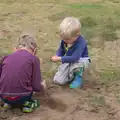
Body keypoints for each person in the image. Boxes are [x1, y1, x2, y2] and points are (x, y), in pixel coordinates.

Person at [0, 33, 46, 113]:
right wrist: (42, 86)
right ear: (35, 51)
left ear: (15, 49)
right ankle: (27, 105)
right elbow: (36, 86)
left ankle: (8, 103)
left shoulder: (5, 58)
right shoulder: (34, 59)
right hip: (22, 96)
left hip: (4, 96)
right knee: (28, 92)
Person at [51, 17, 90, 89]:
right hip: (69, 60)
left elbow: (75, 58)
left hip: (80, 61)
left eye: (67, 39)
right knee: (58, 80)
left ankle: (78, 77)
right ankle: (71, 74)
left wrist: (59, 58)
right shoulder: (65, 40)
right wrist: (57, 55)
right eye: (63, 38)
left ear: (77, 34)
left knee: (79, 64)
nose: (65, 41)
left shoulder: (81, 43)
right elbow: (61, 50)